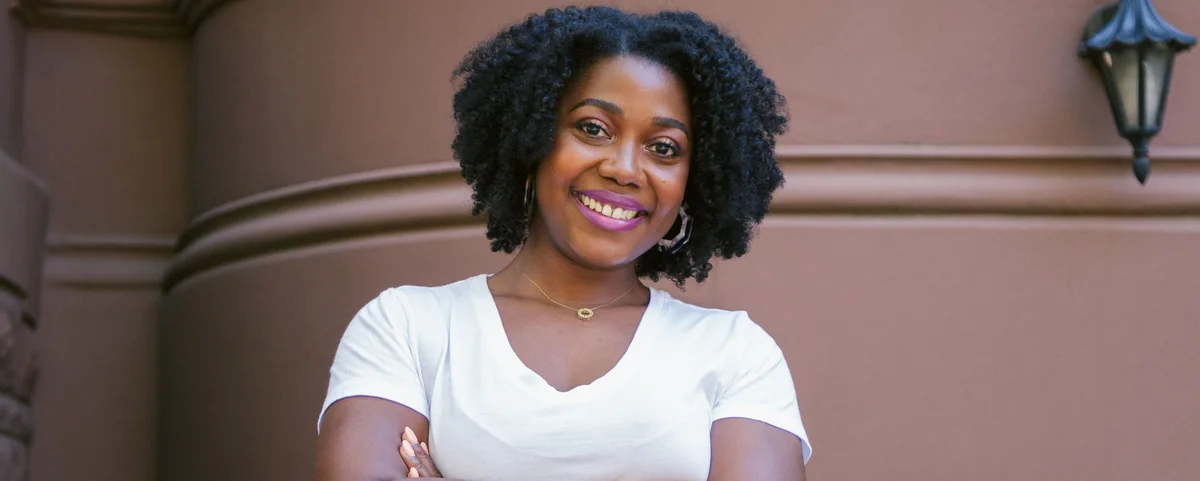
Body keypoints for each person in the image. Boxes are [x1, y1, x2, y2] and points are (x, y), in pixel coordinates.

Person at [315, 6, 811, 481]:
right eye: (593, 129)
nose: (623, 168)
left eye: (663, 148)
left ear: (694, 179)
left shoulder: (735, 352)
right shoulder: (408, 326)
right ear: (529, 137)